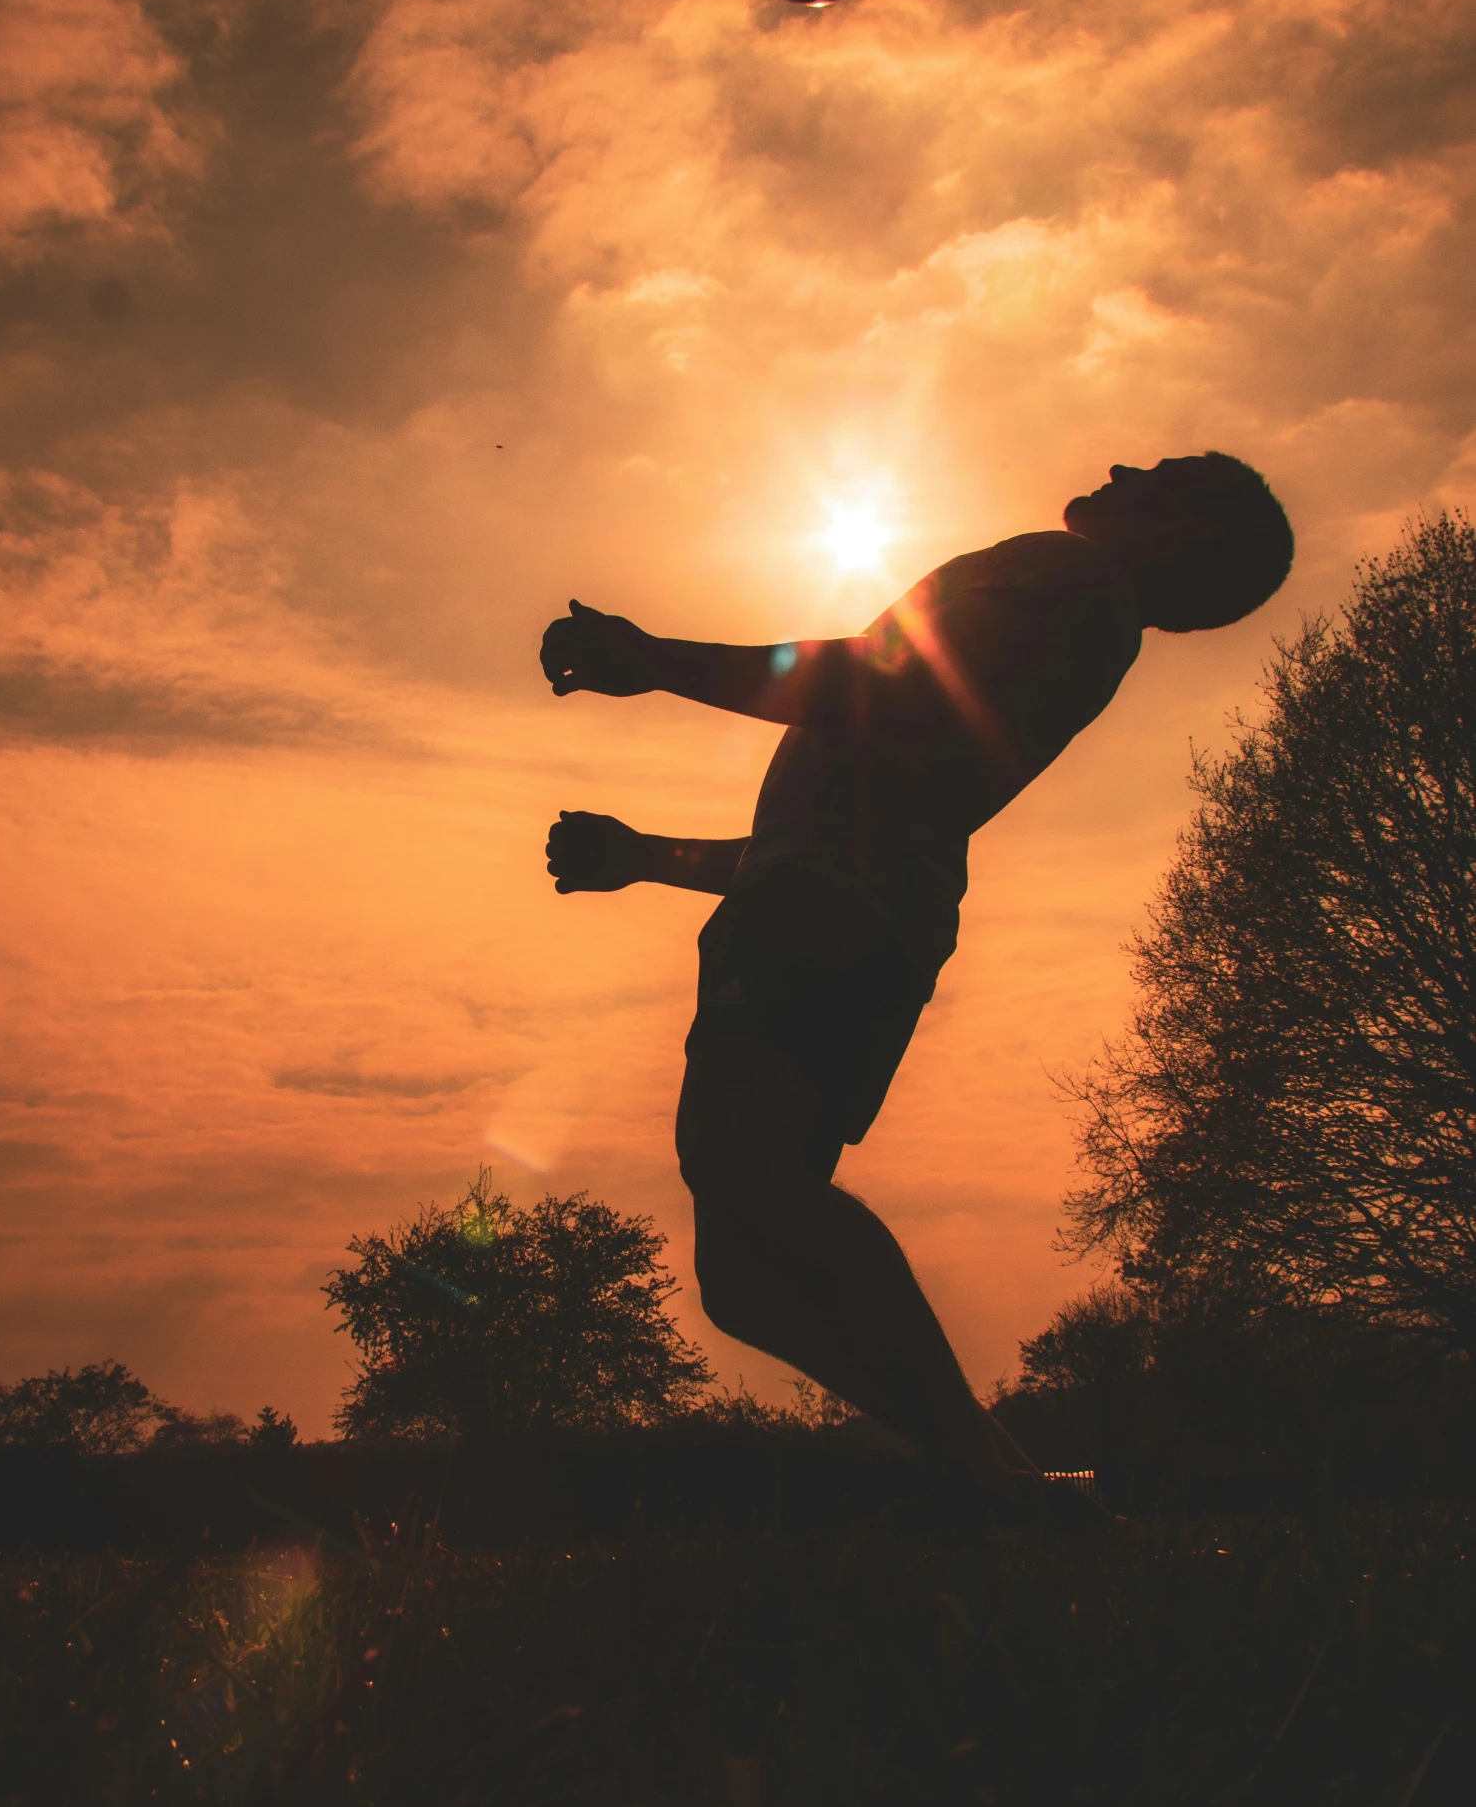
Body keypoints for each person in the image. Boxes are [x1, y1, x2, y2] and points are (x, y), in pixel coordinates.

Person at [539, 454, 1294, 1509]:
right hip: (839, 904)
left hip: (830, 915)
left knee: (750, 1183)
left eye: (1159, 473)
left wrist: (654, 657)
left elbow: (864, 685)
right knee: (744, 1277)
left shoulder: (1072, 579)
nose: (1123, 463)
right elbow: (826, 818)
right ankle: (994, 1475)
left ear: (1183, 532)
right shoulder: (1078, 612)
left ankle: (986, 1476)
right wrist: (644, 854)